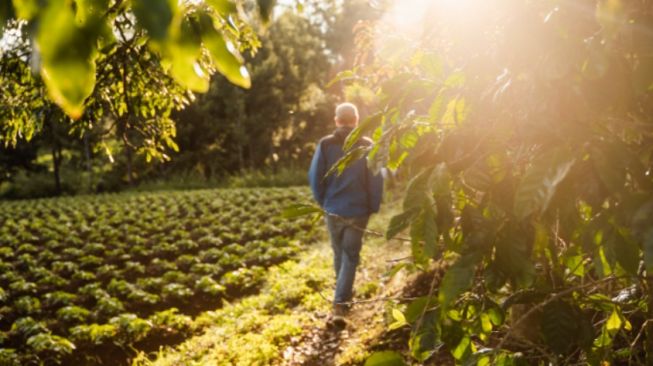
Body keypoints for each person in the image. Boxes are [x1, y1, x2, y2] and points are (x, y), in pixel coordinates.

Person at [308, 102, 383, 325]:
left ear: (337, 120)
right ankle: (341, 304)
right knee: (350, 256)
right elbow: (376, 179)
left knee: (340, 254)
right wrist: (373, 205)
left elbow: (315, 177)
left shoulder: (325, 144)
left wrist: (325, 202)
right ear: (357, 120)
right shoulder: (367, 145)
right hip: (358, 209)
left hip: (333, 209)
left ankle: (341, 300)